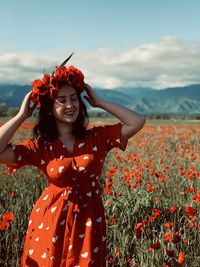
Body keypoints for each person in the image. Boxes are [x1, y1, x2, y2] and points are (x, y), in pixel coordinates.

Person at [0, 61, 146, 267]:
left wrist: (100, 102)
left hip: (88, 221)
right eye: (61, 100)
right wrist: (21, 115)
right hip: (50, 221)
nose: (70, 105)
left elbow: (137, 121)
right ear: (50, 108)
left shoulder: (97, 137)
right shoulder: (40, 147)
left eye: (74, 99)